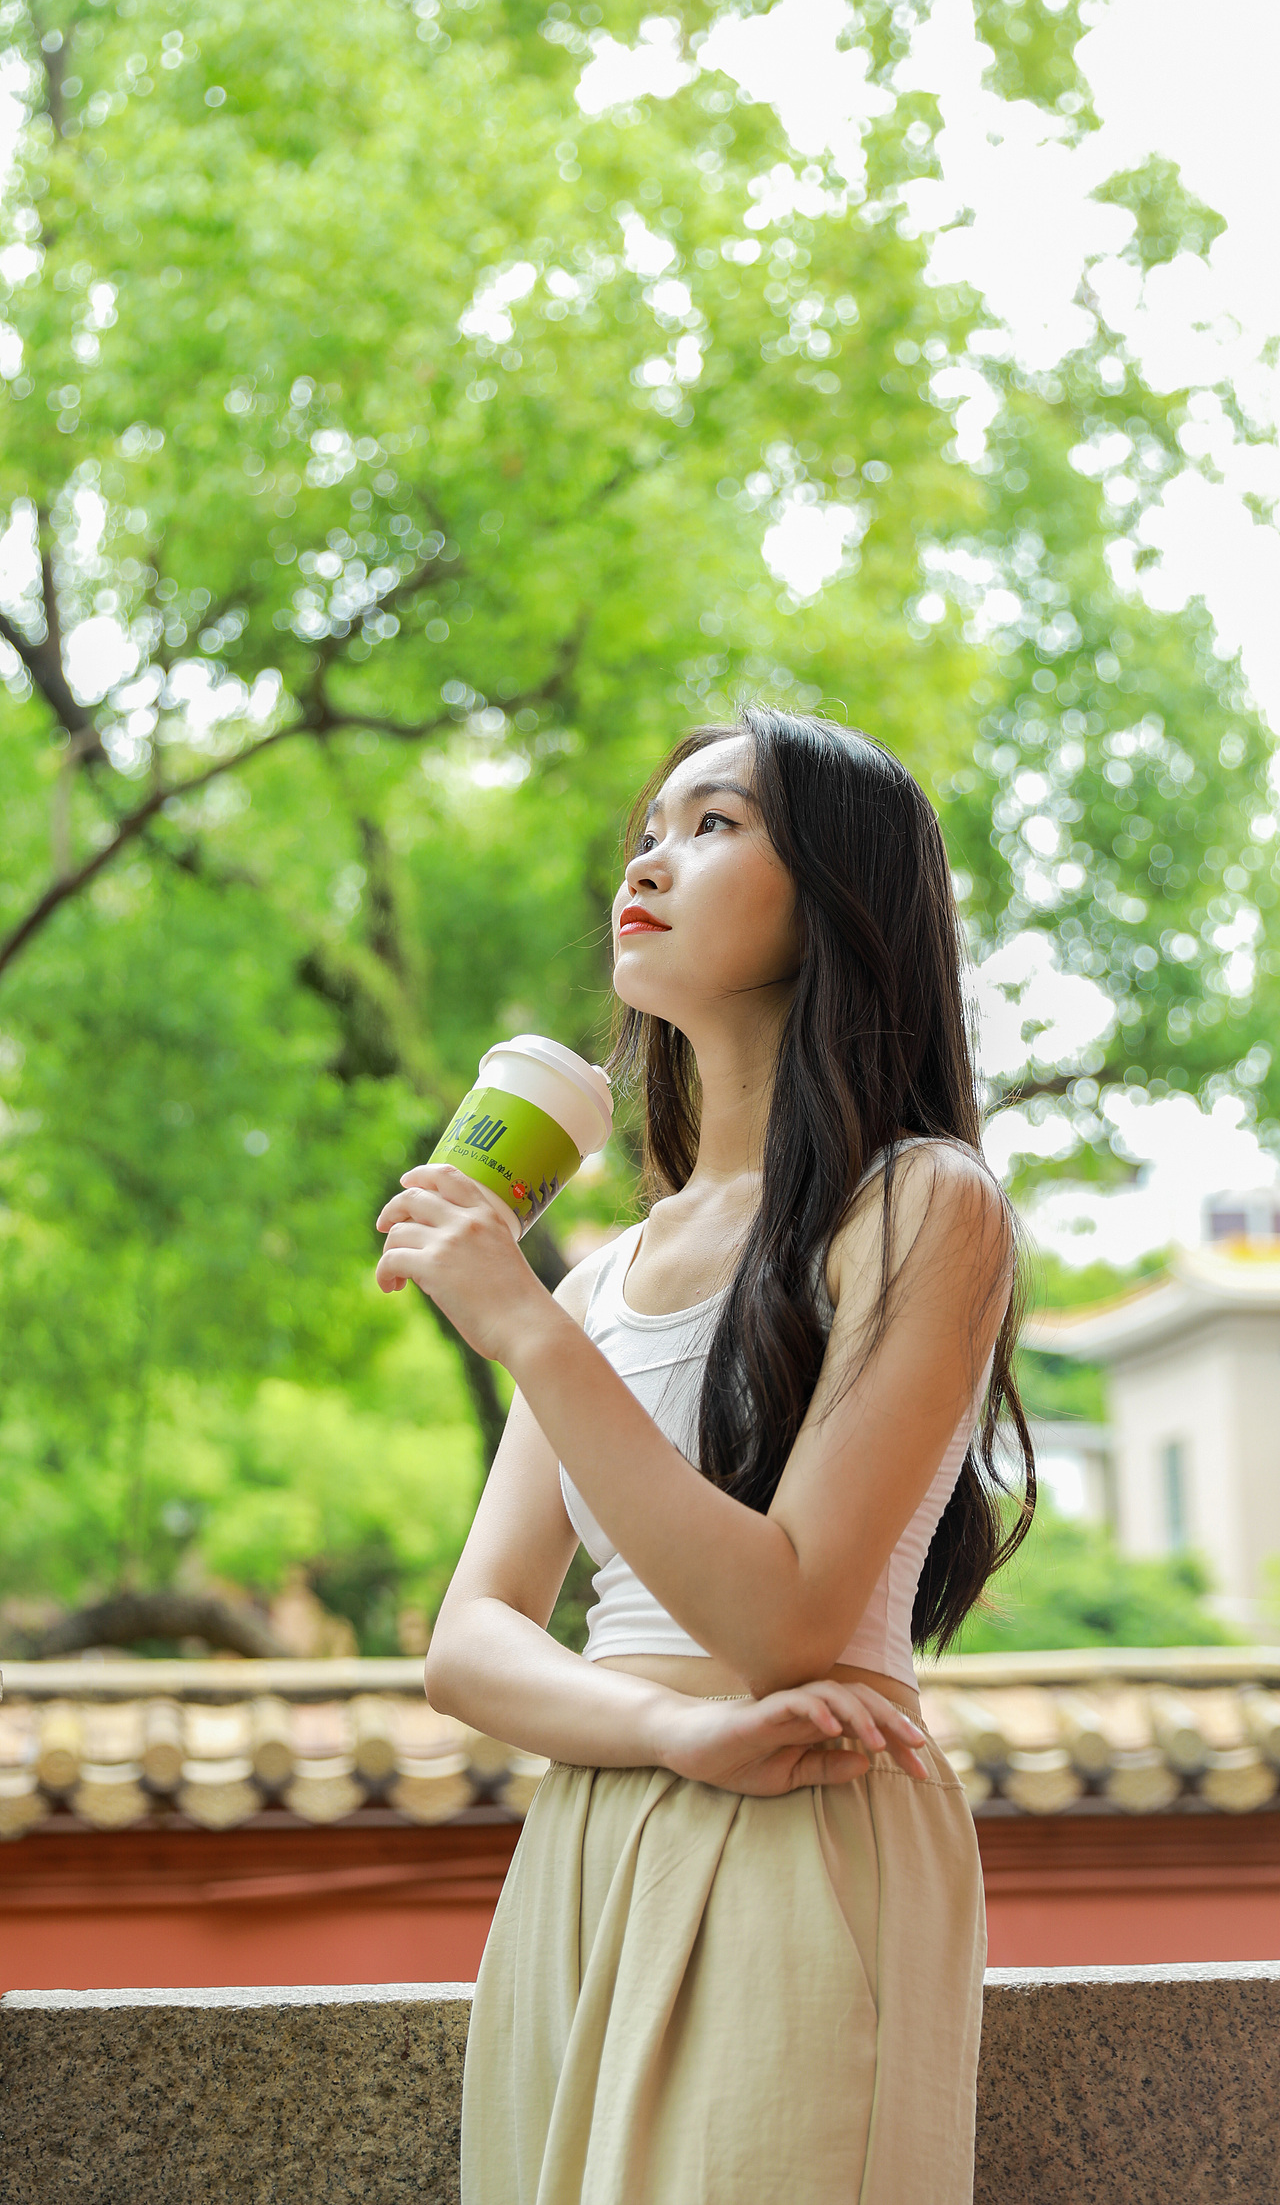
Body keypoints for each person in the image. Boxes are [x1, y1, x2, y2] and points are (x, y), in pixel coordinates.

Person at [374, 707, 1034, 2205]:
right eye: (649, 830)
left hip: (804, 1824)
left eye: (717, 823)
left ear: (840, 895)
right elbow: (469, 1644)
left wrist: (528, 1334)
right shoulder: (610, 1268)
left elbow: (790, 1616)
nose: (653, 860)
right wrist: (666, 1734)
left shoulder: (923, 1207)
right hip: (594, 1830)